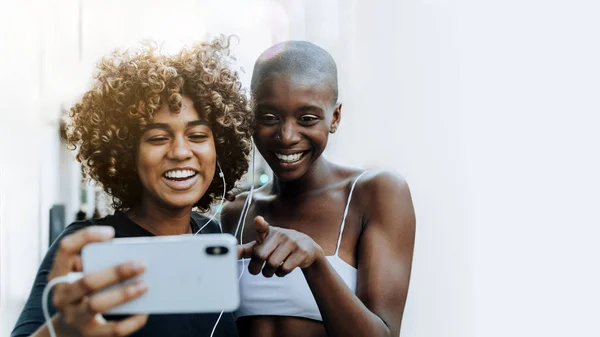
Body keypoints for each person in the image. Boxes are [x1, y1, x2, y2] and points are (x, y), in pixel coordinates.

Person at [12, 36, 253, 337]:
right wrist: (61, 331)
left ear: (220, 148)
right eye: (157, 138)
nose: (180, 152)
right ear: (128, 154)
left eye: (197, 136)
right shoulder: (87, 246)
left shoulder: (217, 238)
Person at [222, 41, 416, 337]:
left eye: (307, 119)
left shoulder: (375, 193)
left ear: (335, 117)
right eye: (269, 117)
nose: (287, 136)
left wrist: (315, 262)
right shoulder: (236, 212)